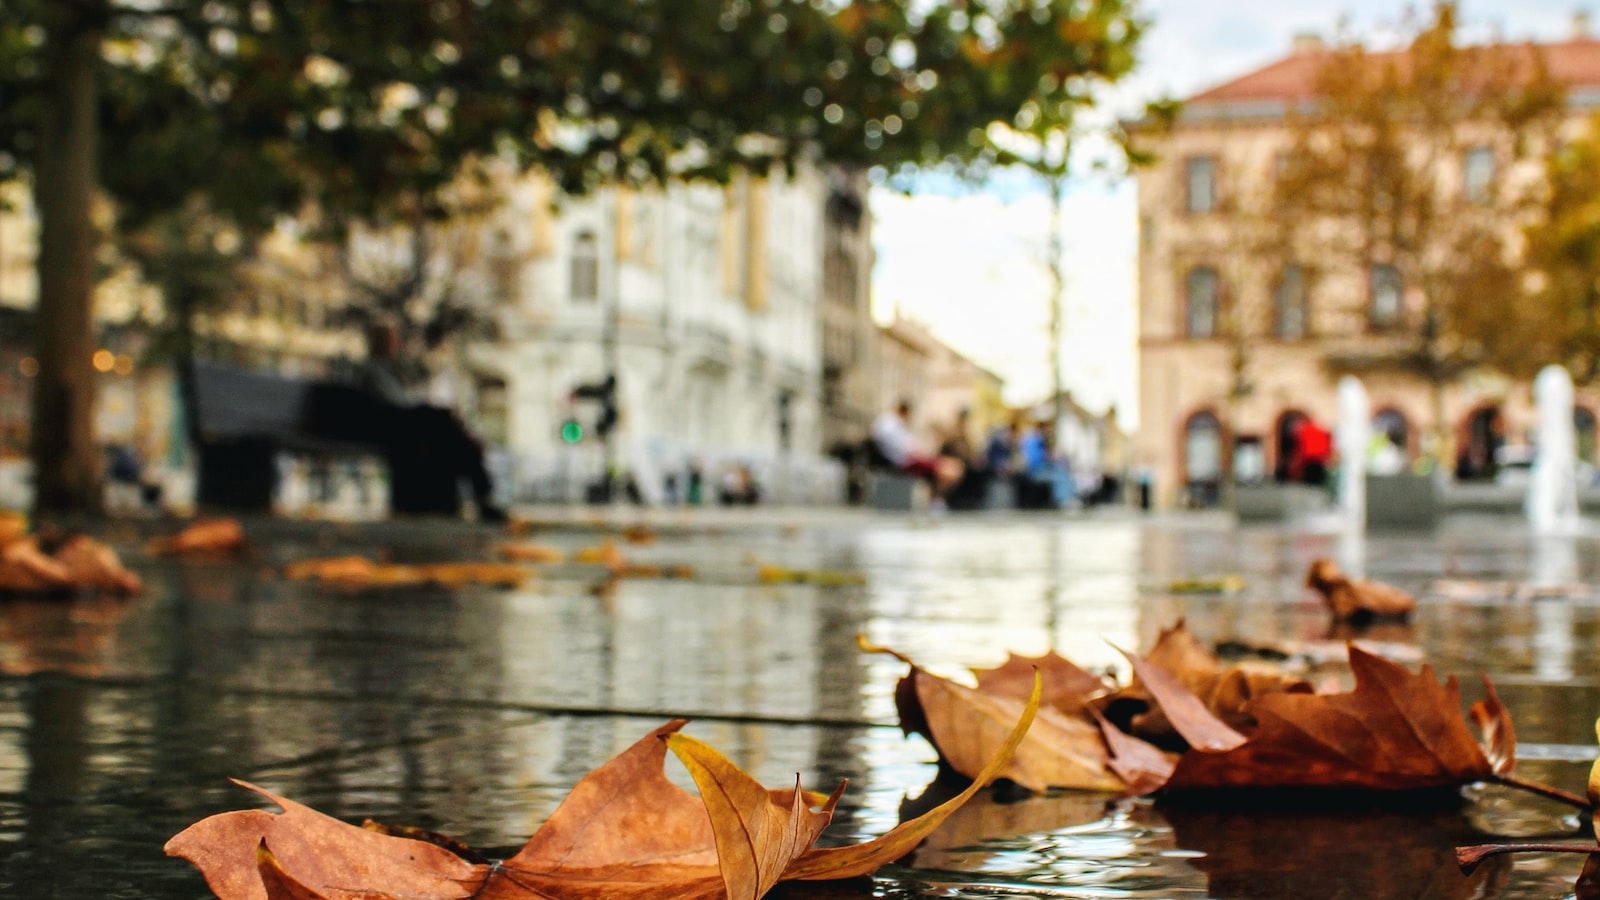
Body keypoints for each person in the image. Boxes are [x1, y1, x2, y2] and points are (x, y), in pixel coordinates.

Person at [353, 320, 505, 522]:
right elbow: (397, 403)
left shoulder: (388, 369)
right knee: (444, 422)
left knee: (450, 435)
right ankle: (482, 496)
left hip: (398, 426)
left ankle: (474, 495)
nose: (395, 344)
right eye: (390, 339)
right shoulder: (373, 370)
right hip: (389, 427)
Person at [871, 400, 964, 506]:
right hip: (906, 461)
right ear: (905, 412)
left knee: (953, 466)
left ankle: (936, 500)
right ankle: (936, 501)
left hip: (910, 458)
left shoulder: (891, 424)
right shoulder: (890, 425)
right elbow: (907, 449)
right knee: (951, 470)